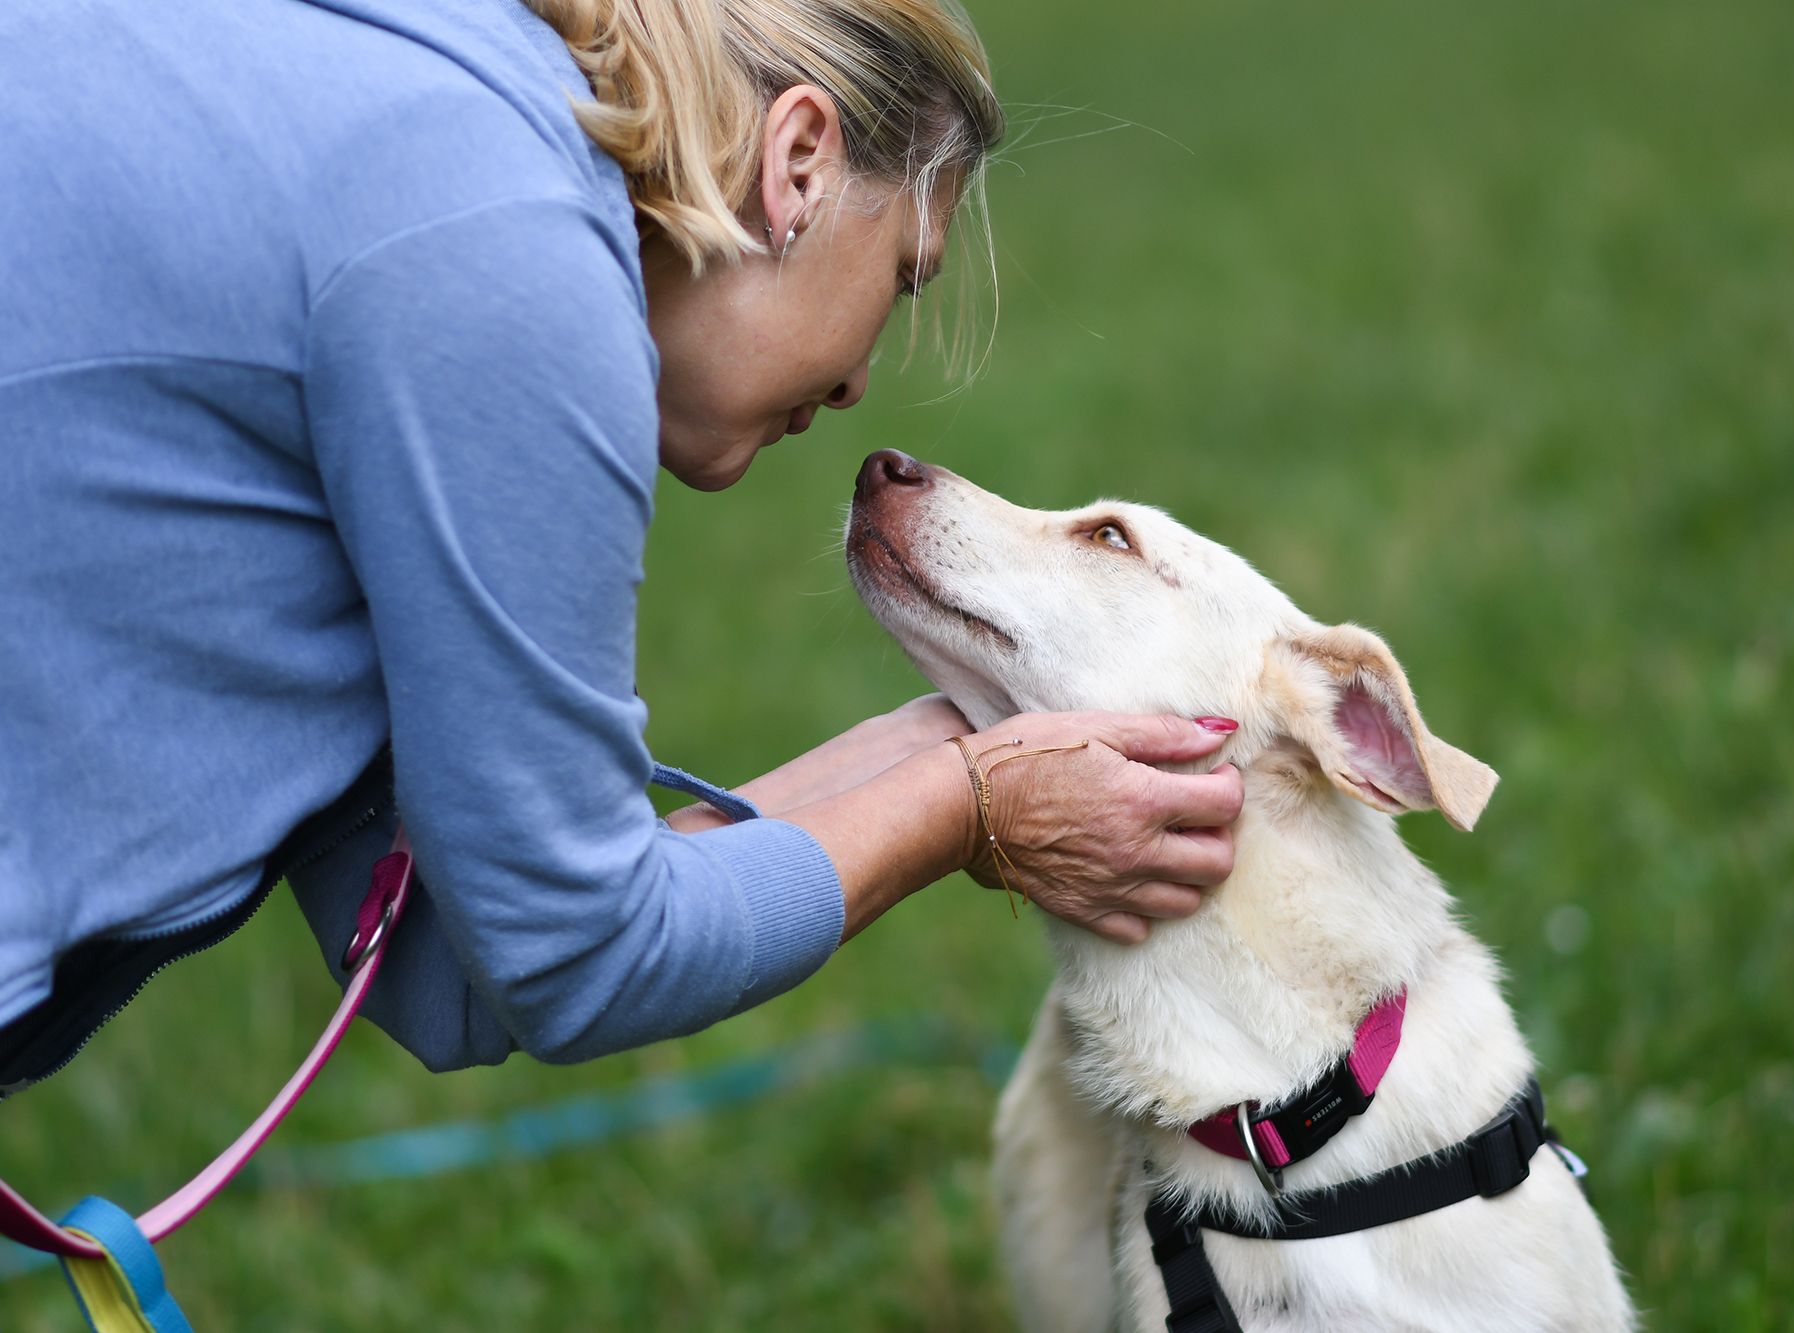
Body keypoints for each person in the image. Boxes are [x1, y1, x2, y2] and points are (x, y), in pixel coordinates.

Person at [0, 0, 1244, 1088]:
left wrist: (926, 751)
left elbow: (453, 959)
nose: (864, 381)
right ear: (799, 160)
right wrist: (961, 808)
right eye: (903, 277)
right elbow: (572, 956)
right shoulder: (508, 258)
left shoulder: (447, 119)